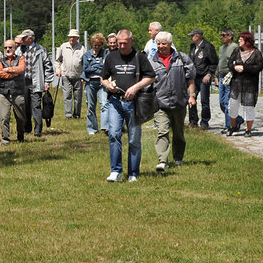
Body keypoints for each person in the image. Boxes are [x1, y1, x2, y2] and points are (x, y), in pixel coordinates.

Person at [100, 29, 155, 182]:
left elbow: (151, 76)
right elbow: (103, 78)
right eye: (120, 43)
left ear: (131, 41)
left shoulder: (140, 57)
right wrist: (108, 85)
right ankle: (115, 171)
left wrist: (135, 88)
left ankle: (133, 173)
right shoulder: (111, 57)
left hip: (134, 103)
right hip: (115, 102)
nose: (122, 46)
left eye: (125, 43)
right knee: (113, 134)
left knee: (133, 140)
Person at [150, 31, 196, 172]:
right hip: (160, 103)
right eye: (158, 43)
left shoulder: (182, 58)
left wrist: (192, 95)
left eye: (164, 43)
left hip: (179, 101)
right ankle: (162, 160)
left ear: (170, 43)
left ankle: (178, 158)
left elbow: (191, 78)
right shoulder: (151, 61)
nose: (161, 46)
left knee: (178, 133)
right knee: (162, 131)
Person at [227, 31, 263, 138]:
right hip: (236, 84)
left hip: (250, 85)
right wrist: (234, 67)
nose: (239, 40)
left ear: (247, 41)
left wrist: (245, 68)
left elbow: (259, 67)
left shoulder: (256, 53)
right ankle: (233, 126)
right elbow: (229, 63)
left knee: (249, 107)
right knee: (232, 106)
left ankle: (248, 129)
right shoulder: (236, 51)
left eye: (241, 39)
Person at [19, 29, 54, 137]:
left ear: (30, 38)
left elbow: (48, 66)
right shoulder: (20, 50)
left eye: (24, 38)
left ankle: (38, 129)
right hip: (23, 82)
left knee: (36, 106)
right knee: (25, 106)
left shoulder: (41, 50)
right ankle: (27, 128)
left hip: (36, 81)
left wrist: (47, 81)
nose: (22, 40)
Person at [0, 39, 27, 144]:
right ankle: (5, 139)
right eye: (5, 47)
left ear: (15, 48)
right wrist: (14, 72)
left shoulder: (21, 58)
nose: (8, 49)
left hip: (18, 92)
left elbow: (21, 69)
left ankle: (20, 135)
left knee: (21, 117)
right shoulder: (0, 60)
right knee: (4, 117)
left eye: (10, 47)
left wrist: (7, 70)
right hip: (4, 92)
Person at [187, 29, 218, 129]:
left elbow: (214, 62)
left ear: (199, 36)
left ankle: (204, 121)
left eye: (193, 35)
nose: (191, 37)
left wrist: (209, 74)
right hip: (193, 77)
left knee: (204, 100)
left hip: (204, 77)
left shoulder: (208, 47)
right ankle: (193, 120)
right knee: (191, 98)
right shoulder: (192, 47)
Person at [81, 32, 108, 135]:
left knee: (104, 104)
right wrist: (98, 67)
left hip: (102, 82)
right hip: (89, 82)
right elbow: (86, 69)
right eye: (95, 45)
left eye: (99, 45)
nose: (96, 47)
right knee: (90, 106)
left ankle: (105, 127)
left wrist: (94, 67)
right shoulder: (87, 54)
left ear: (102, 45)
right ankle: (92, 128)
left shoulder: (105, 53)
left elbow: (105, 68)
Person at [216, 29, 242, 134]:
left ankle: (229, 125)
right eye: (221, 35)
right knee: (222, 103)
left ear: (230, 36)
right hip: (222, 77)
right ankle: (237, 119)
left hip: (230, 77)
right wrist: (216, 76)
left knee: (227, 102)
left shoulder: (235, 47)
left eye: (224, 35)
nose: (222, 37)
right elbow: (220, 62)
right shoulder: (222, 48)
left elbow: (238, 61)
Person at [55, 29, 85, 119]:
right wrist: (58, 70)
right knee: (67, 95)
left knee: (78, 97)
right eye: (70, 37)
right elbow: (58, 60)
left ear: (77, 38)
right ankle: (68, 114)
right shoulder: (63, 47)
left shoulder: (81, 48)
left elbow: (84, 63)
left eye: (74, 37)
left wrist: (84, 75)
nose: (72, 38)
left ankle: (77, 115)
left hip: (78, 76)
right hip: (66, 75)